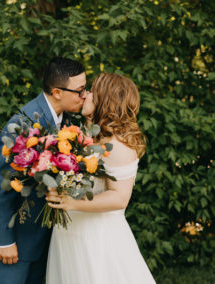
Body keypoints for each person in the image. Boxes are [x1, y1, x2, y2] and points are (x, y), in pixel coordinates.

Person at [0, 57, 87, 284]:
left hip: (42, 239)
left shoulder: (68, 122)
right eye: (80, 90)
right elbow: (0, 184)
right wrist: (4, 241)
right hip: (13, 240)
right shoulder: (21, 124)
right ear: (57, 92)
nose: (84, 96)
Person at [45, 73, 156, 284]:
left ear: (106, 99)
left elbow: (119, 198)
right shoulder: (85, 134)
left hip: (97, 238)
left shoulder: (119, 143)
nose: (85, 95)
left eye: (92, 91)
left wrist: (72, 202)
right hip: (71, 232)